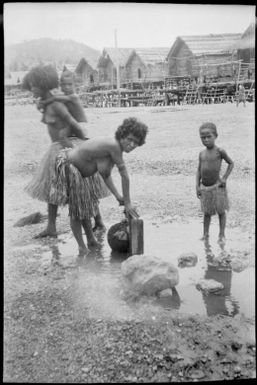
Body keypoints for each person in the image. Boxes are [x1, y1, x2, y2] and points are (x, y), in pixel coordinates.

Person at [22, 65, 102, 238]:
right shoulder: (47, 102)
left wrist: (79, 146)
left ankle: (97, 222)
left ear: (44, 84)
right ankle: (52, 227)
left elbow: (73, 123)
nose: (32, 89)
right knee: (55, 187)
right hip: (57, 148)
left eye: (34, 86)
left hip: (66, 147)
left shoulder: (57, 104)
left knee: (81, 187)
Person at [52, 117, 148, 256]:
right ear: (122, 135)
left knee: (85, 205)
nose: (132, 144)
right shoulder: (114, 146)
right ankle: (81, 247)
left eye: (136, 143)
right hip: (70, 167)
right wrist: (127, 203)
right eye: (130, 139)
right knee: (76, 211)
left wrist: (118, 196)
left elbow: (105, 174)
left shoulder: (112, 151)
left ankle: (91, 240)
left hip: (81, 172)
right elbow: (124, 175)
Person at [38, 68, 110, 231]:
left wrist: (45, 101)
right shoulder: (62, 101)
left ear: (75, 84)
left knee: (84, 184)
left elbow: (73, 123)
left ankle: (96, 221)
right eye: (63, 84)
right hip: (74, 138)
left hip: (79, 136)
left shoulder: (72, 97)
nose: (66, 86)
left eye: (69, 83)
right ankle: (96, 221)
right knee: (74, 184)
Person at [196, 122, 234, 243]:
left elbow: (231, 163)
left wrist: (224, 178)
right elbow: (198, 170)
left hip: (217, 187)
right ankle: (205, 234)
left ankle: (221, 235)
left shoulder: (220, 151)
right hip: (205, 188)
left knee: (221, 211)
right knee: (207, 212)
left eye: (209, 137)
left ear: (215, 136)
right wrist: (197, 186)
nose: (206, 140)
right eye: (203, 137)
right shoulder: (201, 154)